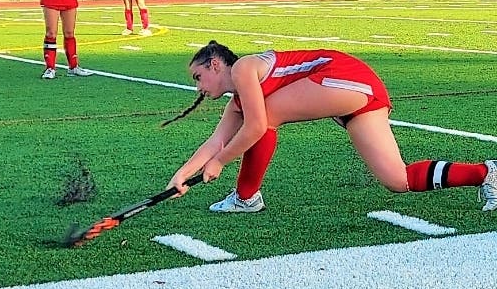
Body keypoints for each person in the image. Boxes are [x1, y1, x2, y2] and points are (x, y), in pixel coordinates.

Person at [165, 40, 497, 212]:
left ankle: (246, 197)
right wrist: (180, 177)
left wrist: (220, 162)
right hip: (358, 96)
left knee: (265, 117)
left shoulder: (243, 69)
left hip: (344, 77)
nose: (198, 86)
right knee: (398, 179)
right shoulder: (239, 100)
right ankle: (487, 173)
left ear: (216, 64)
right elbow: (218, 140)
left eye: (198, 77)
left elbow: (256, 127)